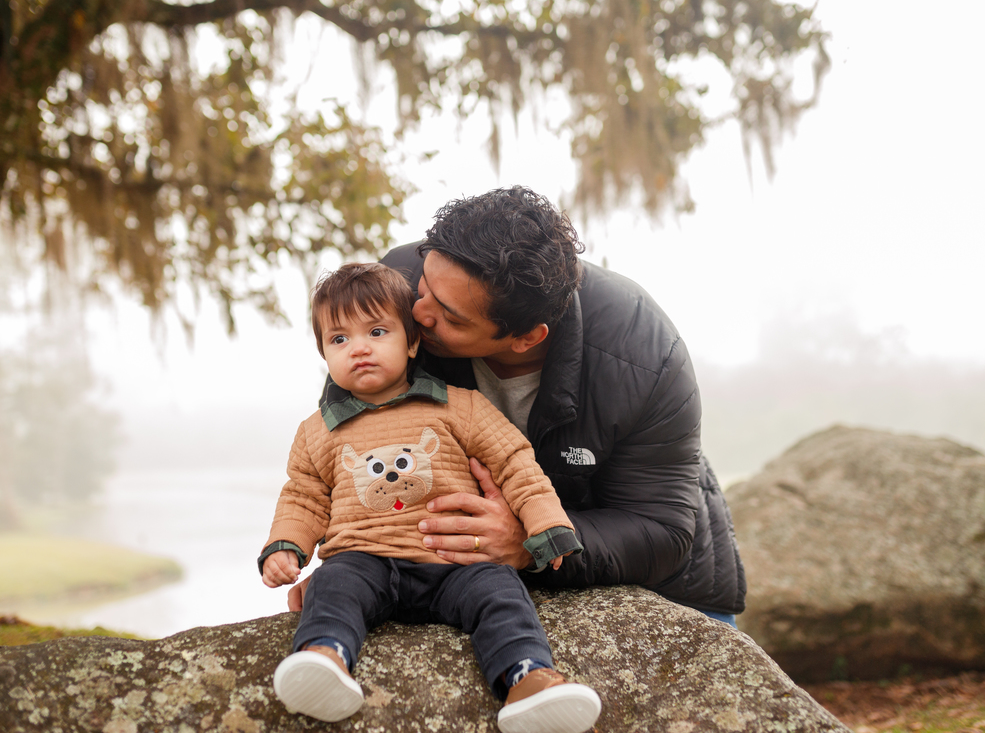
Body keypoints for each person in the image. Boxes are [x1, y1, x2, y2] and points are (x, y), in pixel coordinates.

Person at [373, 185, 748, 626]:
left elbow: (658, 529)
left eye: (451, 317)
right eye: (426, 283)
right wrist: (346, 559)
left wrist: (529, 542)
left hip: (660, 580)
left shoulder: (645, 356)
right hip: (458, 573)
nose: (417, 313)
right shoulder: (391, 288)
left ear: (527, 338)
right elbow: (349, 442)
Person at [258, 262, 601, 733]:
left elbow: (515, 462)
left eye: (376, 331)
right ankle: (325, 657)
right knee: (331, 586)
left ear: (413, 341)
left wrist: (545, 523)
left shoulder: (458, 405)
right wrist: (285, 547)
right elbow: (303, 496)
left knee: (501, 593)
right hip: (365, 559)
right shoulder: (318, 431)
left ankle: (528, 679)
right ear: (323, 353)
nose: (358, 348)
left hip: (455, 564)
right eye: (338, 339)